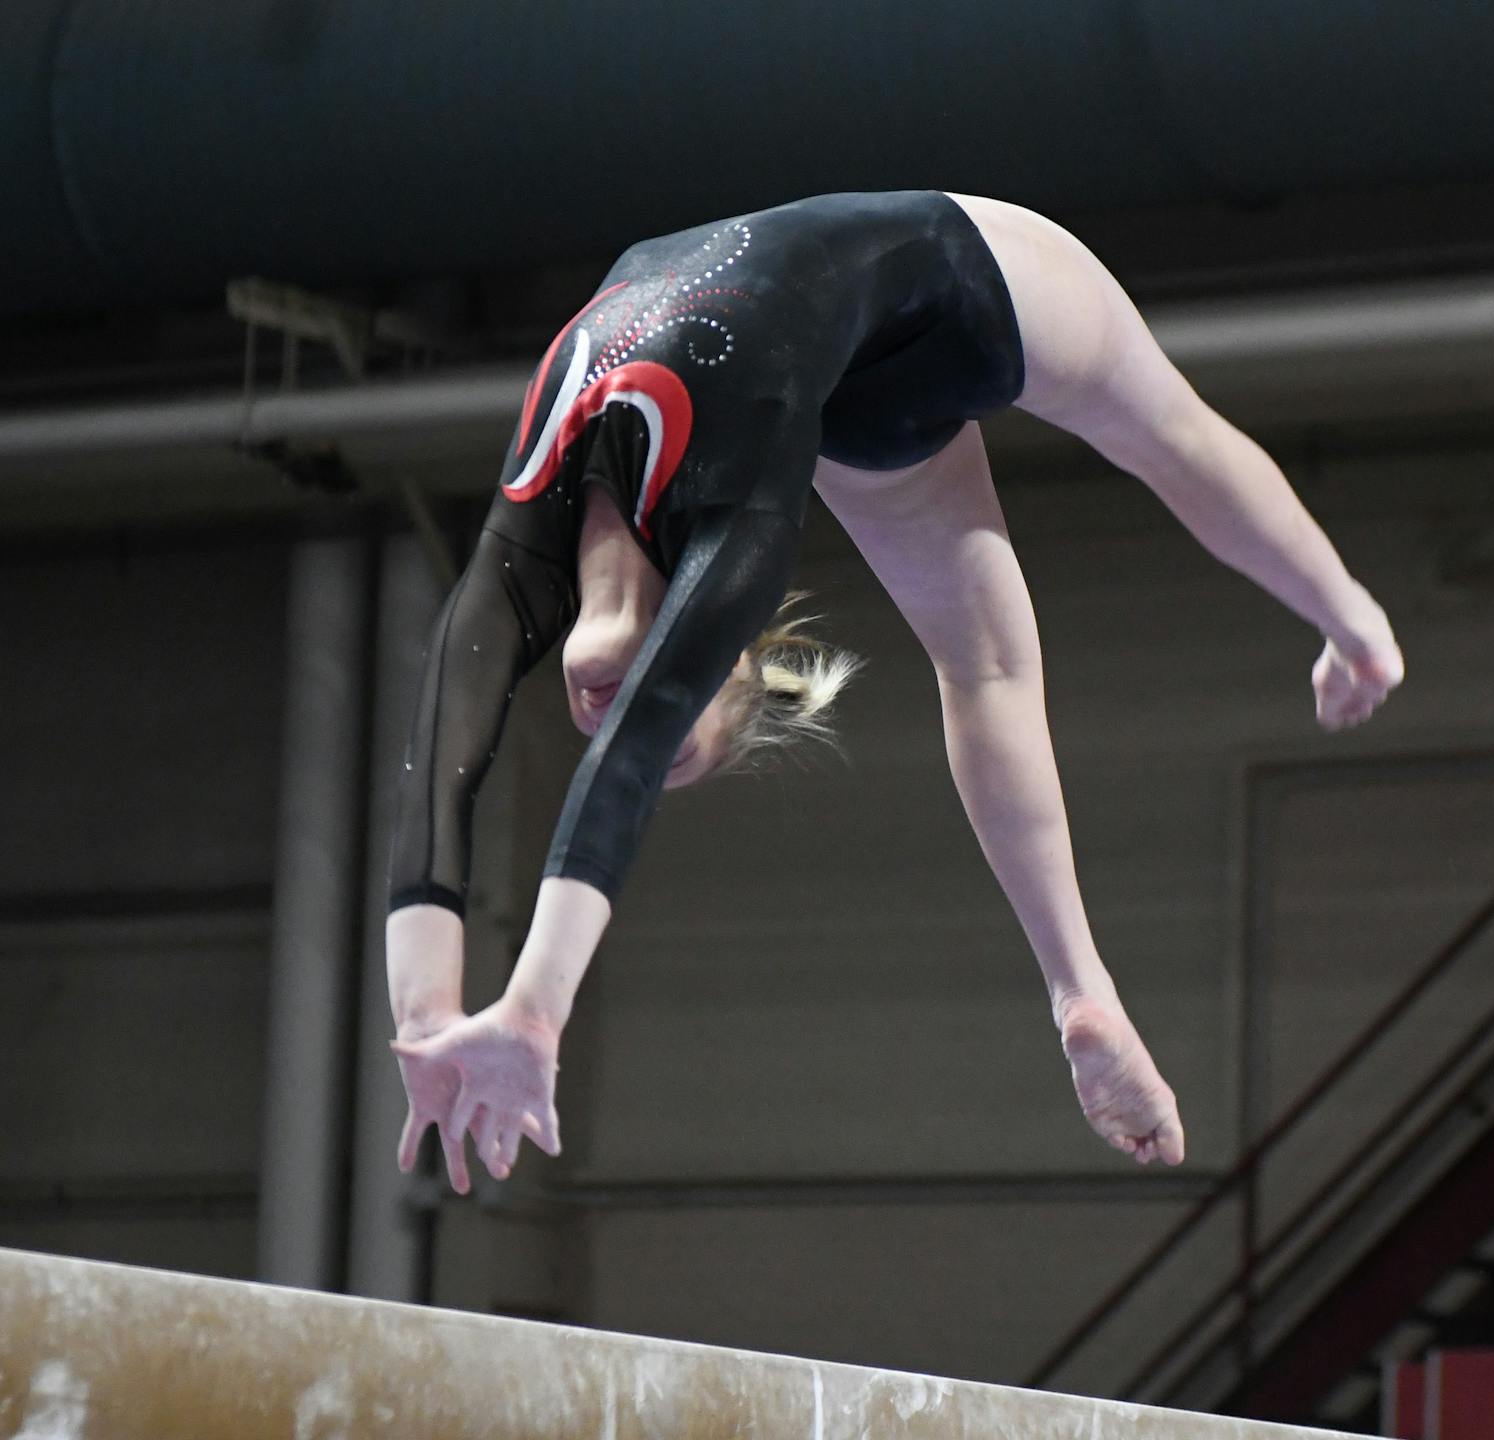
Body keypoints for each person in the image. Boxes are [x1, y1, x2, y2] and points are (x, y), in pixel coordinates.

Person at [385, 191, 1405, 1194]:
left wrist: (498, 1015)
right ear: (731, 652)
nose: (640, 731)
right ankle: (1082, 988)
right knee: (1035, 605)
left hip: (908, 310)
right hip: (900, 320)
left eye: (676, 749)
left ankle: (1352, 624)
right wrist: (456, 1018)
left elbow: (543, 753)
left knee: (1124, 500)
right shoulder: (722, 507)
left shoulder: (590, 530)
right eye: (689, 738)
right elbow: (511, 754)